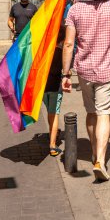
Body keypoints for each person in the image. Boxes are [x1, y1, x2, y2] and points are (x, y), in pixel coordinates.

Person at [62, 0, 110, 181]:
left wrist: (65, 74)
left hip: (84, 71)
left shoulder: (75, 9)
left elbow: (68, 44)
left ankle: (93, 153)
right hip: (107, 69)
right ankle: (100, 160)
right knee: (104, 113)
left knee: (91, 112)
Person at [43, 25, 66, 157]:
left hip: (44, 89)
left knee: (50, 113)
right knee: (55, 113)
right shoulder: (61, 52)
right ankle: (52, 145)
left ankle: (53, 132)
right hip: (55, 88)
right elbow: (64, 70)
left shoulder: (44, 52)